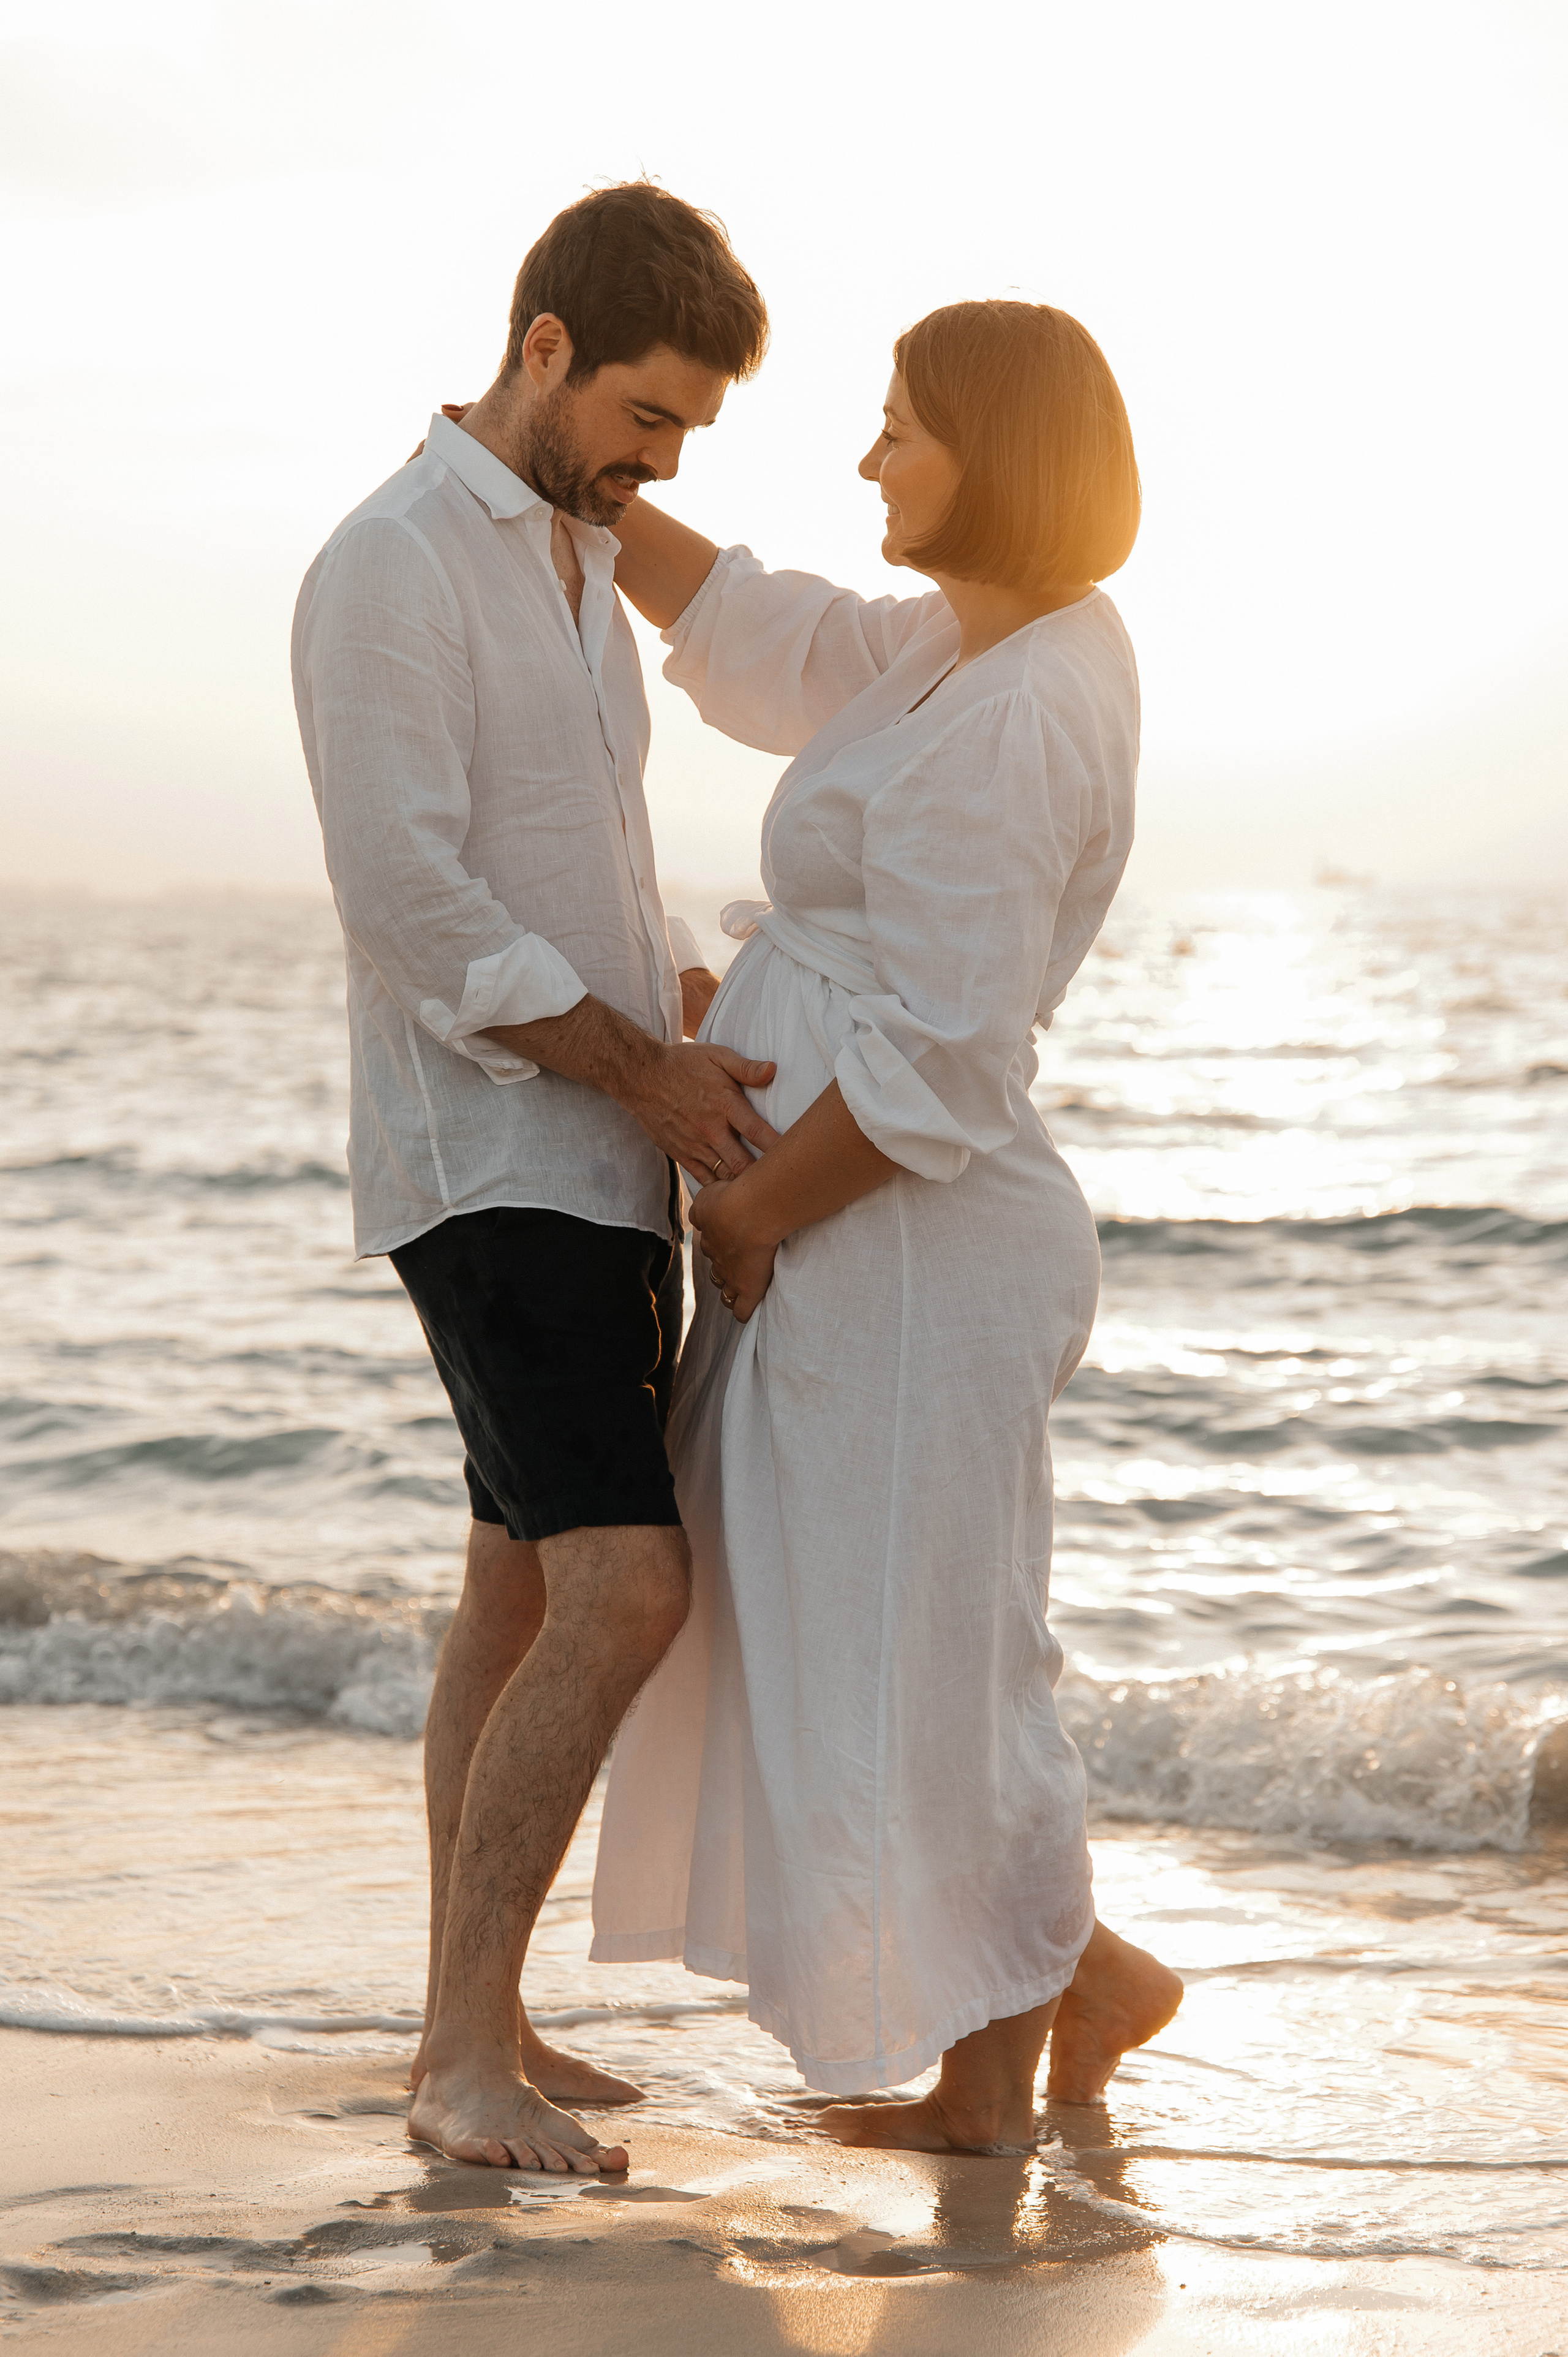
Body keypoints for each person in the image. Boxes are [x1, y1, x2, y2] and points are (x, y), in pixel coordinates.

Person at [590, 300, 1182, 2151]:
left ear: (995, 455)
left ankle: (994, 2080)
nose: (869, 461)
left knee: (938, 1656)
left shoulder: (1026, 705)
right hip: (867, 1239)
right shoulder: (952, 644)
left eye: (902, 430)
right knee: (857, 1631)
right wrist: (590, 488)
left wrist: (752, 1211)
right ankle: (1068, 1983)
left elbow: (945, 1060)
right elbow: (768, 630)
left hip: (909, 1239)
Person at [291, 183, 776, 2176]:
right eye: (649, 418)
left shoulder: (576, 565)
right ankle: (461, 2073)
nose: (659, 469)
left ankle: (469, 2025)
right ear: (545, 344)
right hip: (489, 1153)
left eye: (690, 440)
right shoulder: (394, 562)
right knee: (625, 1584)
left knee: (512, 1585)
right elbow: (414, 899)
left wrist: (691, 1010)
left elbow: (575, 866)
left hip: (598, 1158)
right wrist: (637, 1067)